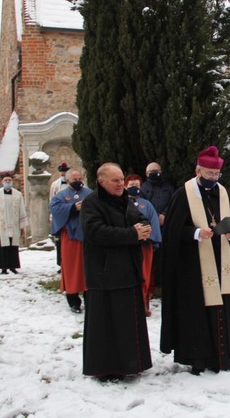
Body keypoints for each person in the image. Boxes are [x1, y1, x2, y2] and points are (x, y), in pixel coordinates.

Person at [161, 146, 230, 374]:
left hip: (221, 264)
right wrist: (195, 233)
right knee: (197, 315)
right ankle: (198, 359)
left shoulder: (222, 192)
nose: (213, 178)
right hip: (193, 267)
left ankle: (222, 356)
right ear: (197, 171)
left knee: (222, 308)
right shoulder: (183, 195)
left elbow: (229, 221)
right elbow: (172, 232)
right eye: (209, 174)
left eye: (216, 174)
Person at [80, 163, 152, 381]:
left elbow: (138, 218)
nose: (121, 184)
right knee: (106, 324)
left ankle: (131, 364)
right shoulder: (92, 203)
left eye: (121, 179)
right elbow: (95, 232)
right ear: (101, 182)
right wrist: (132, 234)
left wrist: (144, 227)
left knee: (127, 322)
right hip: (104, 274)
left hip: (127, 271)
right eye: (115, 180)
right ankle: (106, 368)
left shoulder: (125, 200)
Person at [50, 169, 91, 313]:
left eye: (80, 178)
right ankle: (73, 301)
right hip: (70, 238)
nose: (78, 180)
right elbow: (55, 209)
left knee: (88, 268)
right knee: (71, 268)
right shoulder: (61, 196)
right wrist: (73, 207)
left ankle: (90, 298)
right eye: (75, 179)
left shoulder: (90, 193)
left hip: (87, 237)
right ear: (67, 181)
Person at [125, 174, 162, 316]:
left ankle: (144, 304)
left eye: (137, 185)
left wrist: (150, 238)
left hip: (145, 246)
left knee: (144, 274)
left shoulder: (146, 204)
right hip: (128, 245)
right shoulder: (121, 203)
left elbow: (154, 222)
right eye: (131, 185)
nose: (134, 187)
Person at [0, 173, 27, 274]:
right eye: (5, 180)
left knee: (13, 247)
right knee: (2, 247)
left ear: (12, 181)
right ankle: (3, 267)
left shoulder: (18, 194)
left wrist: (22, 223)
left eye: (9, 180)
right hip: (0, 224)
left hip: (13, 224)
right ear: (2, 182)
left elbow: (22, 209)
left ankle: (13, 266)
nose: (7, 182)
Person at [49, 162, 70, 269]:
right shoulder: (55, 185)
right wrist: (52, 216)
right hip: (60, 216)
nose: (64, 173)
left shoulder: (73, 183)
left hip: (71, 215)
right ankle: (61, 264)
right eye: (62, 171)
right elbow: (51, 200)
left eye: (65, 171)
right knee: (60, 242)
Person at [140, 162, 175, 227]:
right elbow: (143, 205)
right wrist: (157, 216)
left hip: (167, 222)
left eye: (158, 171)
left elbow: (173, 202)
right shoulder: (143, 189)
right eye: (153, 171)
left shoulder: (168, 187)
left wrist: (164, 214)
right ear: (147, 173)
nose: (156, 173)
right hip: (151, 224)